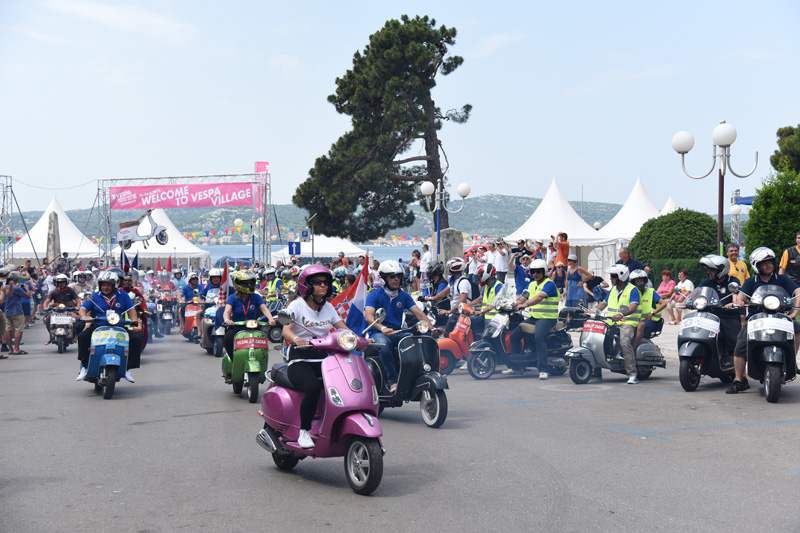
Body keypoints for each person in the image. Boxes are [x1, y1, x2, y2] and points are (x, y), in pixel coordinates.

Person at [282, 265, 349, 449]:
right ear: (307, 286)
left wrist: (358, 339)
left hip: (324, 359)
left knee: (342, 386)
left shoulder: (329, 308)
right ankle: (304, 432)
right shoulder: (296, 305)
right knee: (312, 387)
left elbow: (343, 327)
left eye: (326, 282)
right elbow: (285, 329)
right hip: (300, 359)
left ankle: (332, 426)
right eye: (318, 282)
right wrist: (297, 339)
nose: (323, 286)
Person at [729, 247, 800, 394]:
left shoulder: (781, 279)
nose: (768, 265)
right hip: (756, 319)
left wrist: (795, 311)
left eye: (770, 262)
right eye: (764, 263)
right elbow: (741, 296)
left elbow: (797, 292)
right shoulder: (751, 281)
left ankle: (791, 359)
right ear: (756, 265)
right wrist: (740, 301)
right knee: (739, 348)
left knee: (797, 328)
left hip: (779, 317)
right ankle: (739, 381)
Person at [365, 260, 432, 392]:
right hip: (378, 333)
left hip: (397, 332)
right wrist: (383, 328)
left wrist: (431, 328)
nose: (396, 279)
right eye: (392, 276)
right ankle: (393, 380)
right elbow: (369, 317)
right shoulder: (374, 295)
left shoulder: (403, 296)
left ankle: (420, 373)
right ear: (383, 278)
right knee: (384, 345)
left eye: (398, 276)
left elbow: (418, 313)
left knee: (419, 338)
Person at [76, 270, 141, 382]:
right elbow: (83, 309)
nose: (105, 287)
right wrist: (85, 317)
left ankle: (127, 369)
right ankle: (85, 367)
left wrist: (134, 320)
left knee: (136, 339)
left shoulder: (123, 295)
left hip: (119, 328)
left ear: (114, 285)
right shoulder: (94, 295)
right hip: (98, 327)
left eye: (108, 285)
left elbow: (131, 310)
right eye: (103, 284)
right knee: (83, 337)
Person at [511, 258, 559, 379]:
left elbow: (539, 297)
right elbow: (523, 296)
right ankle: (516, 368)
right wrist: (514, 304)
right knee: (514, 335)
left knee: (539, 337)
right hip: (533, 317)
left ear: (544, 272)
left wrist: (525, 305)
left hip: (547, 318)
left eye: (538, 271)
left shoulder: (549, 284)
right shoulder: (531, 284)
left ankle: (543, 369)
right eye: (533, 271)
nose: (535, 274)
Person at [594, 264, 641, 384]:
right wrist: (591, 311)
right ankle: (596, 370)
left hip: (627, 322)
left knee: (625, 342)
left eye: (613, 276)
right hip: (611, 322)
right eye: (611, 276)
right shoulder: (613, 291)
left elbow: (633, 307)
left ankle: (632, 374)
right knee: (596, 339)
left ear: (621, 277)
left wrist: (621, 315)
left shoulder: (632, 289)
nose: (610, 278)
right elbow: (603, 304)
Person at [222, 270, 276, 365]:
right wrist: (227, 320)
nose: (250, 285)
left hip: (253, 327)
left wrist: (271, 319)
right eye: (246, 283)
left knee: (263, 341)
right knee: (227, 339)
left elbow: (264, 309)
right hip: (237, 328)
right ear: (239, 284)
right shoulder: (232, 298)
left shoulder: (256, 297)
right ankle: (234, 362)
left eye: (251, 283)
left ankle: (261, 361)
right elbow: (227, 311)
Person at [697, 254, 744, 360]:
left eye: (712, 270)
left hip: (729, 316)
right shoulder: (708, 281)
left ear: (721, 270)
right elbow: (698, 292)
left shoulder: (733, 281)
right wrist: (690, 300)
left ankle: (734, 362)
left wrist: (733, 303)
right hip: (711, 316)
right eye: (709, 270)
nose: (709, 272)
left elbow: (735, 295)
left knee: (734, 340)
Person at [630, 269, 667, 352]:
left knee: (641, 325)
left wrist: (652, 313)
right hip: (634, 320)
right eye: (637, 281)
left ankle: (632, 350)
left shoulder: (651, 292)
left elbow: (663, 304)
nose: (640, 283)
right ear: (633, 282)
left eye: (641, 281)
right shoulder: (632, 293)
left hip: (651, 322)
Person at [43, 273, 80, 340]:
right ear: (56, 283)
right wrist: (45, 307)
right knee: (47, 319)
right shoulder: (53, 292)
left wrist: (77, 307)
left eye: (63, 282)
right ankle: (51, 335)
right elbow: (47, 301)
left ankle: (75, 335)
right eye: (59, 282)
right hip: (56, 310)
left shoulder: (70, 290)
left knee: (77, 318)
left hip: (69, 310)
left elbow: (77, 300)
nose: (61, 284)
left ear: (66, 282)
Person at [442, 257, 473, 334]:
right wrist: (430, 298)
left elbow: (462, 301)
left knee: (449, 334)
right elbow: (444, 292)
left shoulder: (463, 282)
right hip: (454, 313)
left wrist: (449, 311)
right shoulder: (453, 281)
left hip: (461, 314)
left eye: (450, 268)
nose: (448, 270)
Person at [4, 271, 31, 355]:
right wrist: (26, 287)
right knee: (19, 330)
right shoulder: (16, 288)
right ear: (16, 279)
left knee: (8, 329)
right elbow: (28, 296)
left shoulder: (4, 287)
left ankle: (10, 349)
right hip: (17, 311)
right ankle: (16, 348)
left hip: (7, 311)